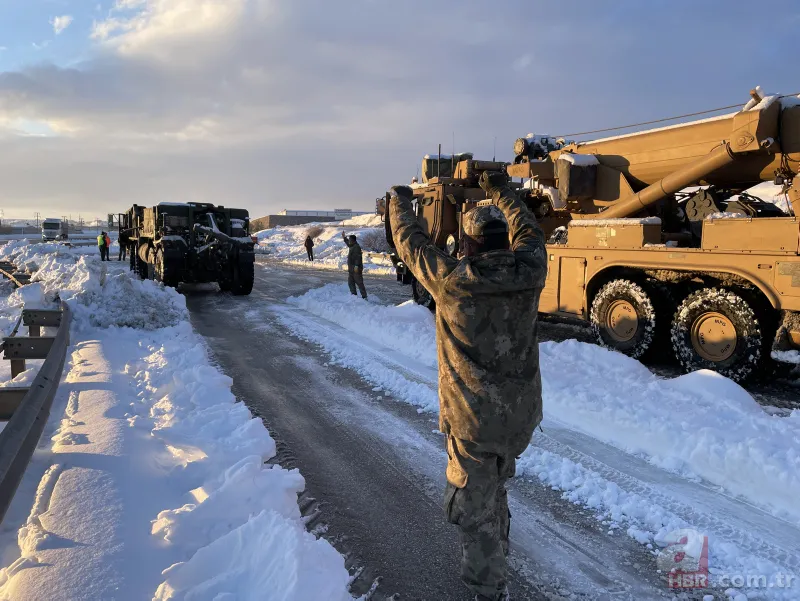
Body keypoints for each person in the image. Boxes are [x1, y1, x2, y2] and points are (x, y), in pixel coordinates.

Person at [388, 172, 547, 601]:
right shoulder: (532, 269)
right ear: (503, 239)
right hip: (520, 419)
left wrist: (400, 201)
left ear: (470, 243)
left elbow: (409, 241)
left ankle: (488, 590)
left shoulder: (454, 281)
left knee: (473, 509)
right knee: (496, 487)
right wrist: (501, 190)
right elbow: (529, 228)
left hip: (474, 423)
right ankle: (499, 557)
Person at [342, 231, 367, 299]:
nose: (349, 241)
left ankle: (364, 297)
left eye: (350, 240)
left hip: (356, 269)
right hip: (351, 269)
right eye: (349, 240)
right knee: (351, 283)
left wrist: (356, 266)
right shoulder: (352, 245)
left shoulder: (356, 247)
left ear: (353, 240)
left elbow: (358, 257)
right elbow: (348, 244)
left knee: (359, 283)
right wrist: (344, 238)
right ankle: (354, 297)